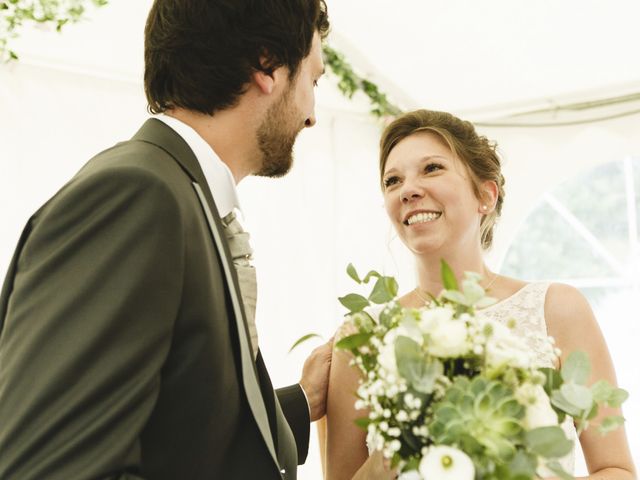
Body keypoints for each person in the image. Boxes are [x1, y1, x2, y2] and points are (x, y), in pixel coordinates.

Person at [0, 1, 338, 479]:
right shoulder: (136, 196)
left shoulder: (181, 195)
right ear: (267, 65)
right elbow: (50, 467)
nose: (311, 115)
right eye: (314, 80)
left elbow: (177, 432)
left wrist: (302, 403)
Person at [323, 109, 636, 479]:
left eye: (432, 168)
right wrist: (406, 439)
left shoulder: (558, 310)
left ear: (485, 195)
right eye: (392, 180)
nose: (407, 189)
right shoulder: (361, 337)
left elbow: (616, 470)